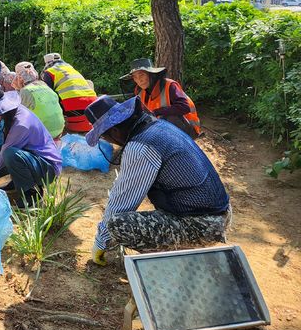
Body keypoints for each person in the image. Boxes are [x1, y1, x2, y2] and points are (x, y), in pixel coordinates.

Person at [85, 95, 230, 266]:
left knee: (117, 225)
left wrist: (101, 242)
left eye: (105, 137)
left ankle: (179, 258)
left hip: (203, 225)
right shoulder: (158, 126)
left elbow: (121, 201)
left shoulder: (140, 147)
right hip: (220, 215)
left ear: (115, 131)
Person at [121, 58, 201, 138]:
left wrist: (157, 112)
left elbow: (185, 107)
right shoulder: (140, 92)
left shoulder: (170, 86)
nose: (139, 80)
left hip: (188, 131)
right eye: (135, 77)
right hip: (163, 128)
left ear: (151, 74)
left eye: (141, 75)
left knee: (169, 117)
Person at [41, 53, 97, 133]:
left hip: (74, 104)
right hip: (93, 104)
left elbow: (47, 95)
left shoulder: (49, 72)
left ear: (47, 63)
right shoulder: (71, 68)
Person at [13, 62, 65, 141]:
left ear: (19, 78)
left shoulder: (25, 91)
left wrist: (17, 89)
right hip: (59, 130)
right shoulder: (44, 85)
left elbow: (17, 115)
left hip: (44, 133)